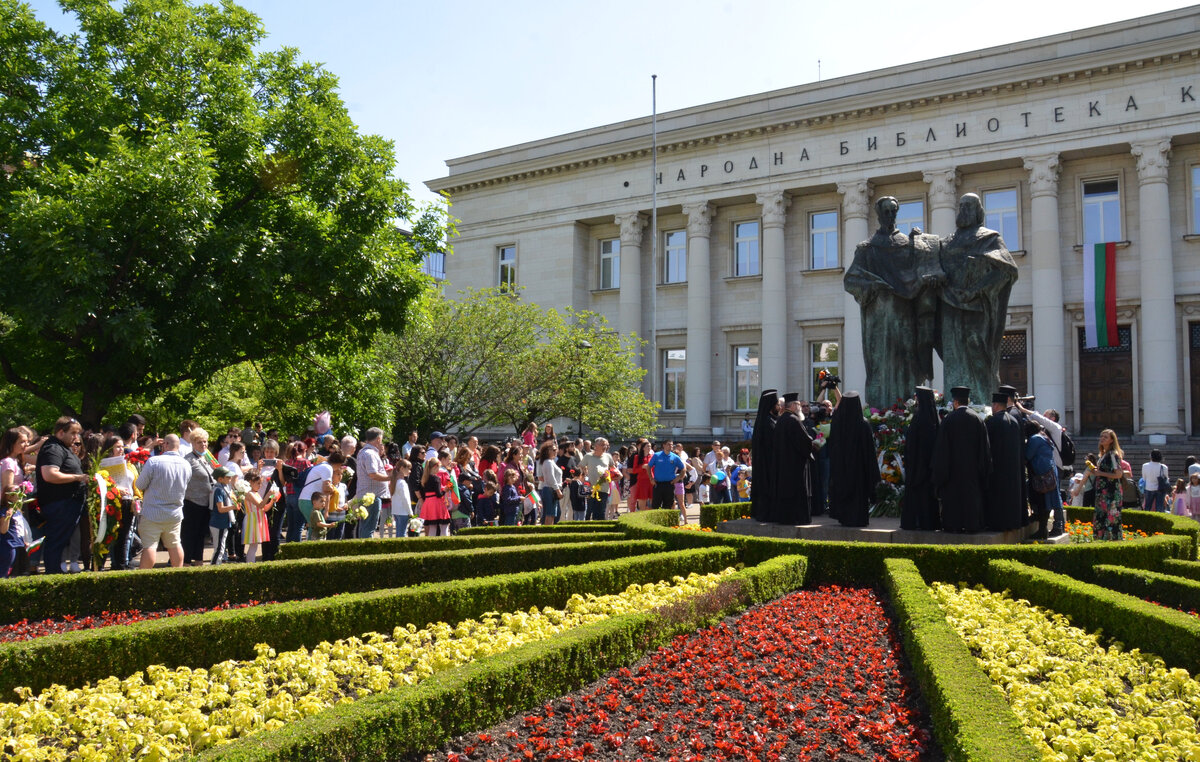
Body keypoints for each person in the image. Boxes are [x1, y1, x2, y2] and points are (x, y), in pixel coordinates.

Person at [844, 196, 942, 409]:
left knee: (907, 360)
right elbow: (851, 279)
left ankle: (906, 406)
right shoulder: (866, 248)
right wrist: (874, 285)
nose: (889, 215)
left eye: (893, 211)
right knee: (880, 363)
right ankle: (881, 409)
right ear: (878, 214)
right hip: (877, 316)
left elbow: (924, 269)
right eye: (885, 211)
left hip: (905, 313)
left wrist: (922, 246)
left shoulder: (908, 244)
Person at [937, 194, 1019, 398]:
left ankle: (982, 401)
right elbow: (934, 266)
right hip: (950, 306)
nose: (964, 210)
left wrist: (977, 288)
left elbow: (1006, 270)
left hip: (978, 308)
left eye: (969, 206)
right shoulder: (947, 242)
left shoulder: (989, 238)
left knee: (978, 351)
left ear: (978, 211)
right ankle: (954, 403)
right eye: (961, 206)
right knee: (953, 354)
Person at [932, 387, 991, 533]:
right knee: (971, 499)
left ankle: (953, 525)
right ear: (968, 401)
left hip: (951, 471)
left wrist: (940, 472)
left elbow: (941, 449)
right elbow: (985, 448)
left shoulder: (948, 420)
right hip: (972, 471)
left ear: (955, 402)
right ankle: (972, 525)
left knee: (953, 500)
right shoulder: (977, 419)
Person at [36, 417, 91, 575]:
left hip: (67, 503)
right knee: (56, 542)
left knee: (59, 542)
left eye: (78, 433)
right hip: (59, 504)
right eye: (73, 433)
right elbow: (49, 475)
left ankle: (54, 574)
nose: (76, 437)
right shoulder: (53, 448)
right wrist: (78, 477)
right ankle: (52, 575)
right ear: (61, 432)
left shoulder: (63, 448)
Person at [134, 434, 191, 569]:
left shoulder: (154, 461)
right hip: (174, 513)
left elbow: (140, 484)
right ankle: (178, 574)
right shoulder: (186, 464)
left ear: (165, 444)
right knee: (175, 544)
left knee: (150, 547)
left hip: (152, 512)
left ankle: (144, 579)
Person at [827, 392, 879, 527]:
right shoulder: (863, 424)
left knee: (843, 489)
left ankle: (843, 516)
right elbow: (869, 451)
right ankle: (857, 518)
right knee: (858, 494)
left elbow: (832, 446)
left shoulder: (837, 423)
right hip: (859, 469)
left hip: (841, 467)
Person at [983, 391, 1026, 532]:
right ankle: (1012, 522)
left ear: (995, 405)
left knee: (998, 498)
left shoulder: (991, 422)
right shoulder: (1014, 421)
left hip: (997, 468)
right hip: (1013, 468)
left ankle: (997, 523)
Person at [768, 393, 813, 524]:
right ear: (793, 405)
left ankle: (785, 517)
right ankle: (798, 518)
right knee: (796, 492)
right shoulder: (794, 420)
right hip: (795, 466)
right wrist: (813, 443)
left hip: (783, 464)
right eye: (799, 404)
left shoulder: (781, 419)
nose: (799, 407)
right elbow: (804, 442)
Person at [900, 386, 941, 530]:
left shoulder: (919, 418)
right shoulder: (933, 418)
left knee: (917, 496)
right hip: (928, 466)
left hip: (917, 466)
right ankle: (929, 522)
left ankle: (915, 522)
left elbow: (913, 443)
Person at [180, 428, 215, 566]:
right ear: (193, 443)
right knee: (189, 535)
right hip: (192, 502)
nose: (203, 445)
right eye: (200, 442)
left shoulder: (207, 457)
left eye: (205, 442)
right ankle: (186, 562)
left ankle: (199, 562)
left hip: (207, 502)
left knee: (201, 535)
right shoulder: (188, 460)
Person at [1024, 420, 1062, 539]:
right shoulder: (1043, 436)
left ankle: (1042, 530)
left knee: (1043, 502)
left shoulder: (1034, 439)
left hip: (1041, 476)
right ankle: (1045, 528)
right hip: (1049, 474)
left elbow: (1027, 455)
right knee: (1048, 502)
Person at [0, 428, 30, 577]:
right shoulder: (8, 463)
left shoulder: (15, 461)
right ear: (11, 443)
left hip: (15, 510)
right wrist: (10, 510)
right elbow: (8, 490)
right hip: (8, 512)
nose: (26, 445)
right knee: (8, 552)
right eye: (22, 442)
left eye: (27, 441)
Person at [354, 428, 392, 538]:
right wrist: (389, 478)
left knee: (365, 527)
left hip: (368, 495)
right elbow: (373, 474)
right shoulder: (370, 454)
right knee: (369, 528)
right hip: (372, 497)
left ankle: (363, 551)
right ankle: (367, 551)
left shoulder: (363, 452)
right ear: (379, 438)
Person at [1090, 429, 1126, 541]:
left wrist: (1100, 473)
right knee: (1101, 515)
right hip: (1102, 491)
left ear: (1111, 440)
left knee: (1110, 518)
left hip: (1111, 492)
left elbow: (1119, 474)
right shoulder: (1103, 455)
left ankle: (1111, 540)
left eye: (1105, 437)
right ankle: (1100, 538)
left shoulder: (1113, 455)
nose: (1102, 439)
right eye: (1101, 436)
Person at [241, 468, 276, 562]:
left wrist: (272, 500)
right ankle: (250, 564)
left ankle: (251, 563)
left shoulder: (256, 493)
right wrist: (268, 494)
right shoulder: (249, 494)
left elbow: (265, 508)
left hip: (258, 519)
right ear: (250, 482)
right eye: (258, 483)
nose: (260, 486)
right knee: (253, 545)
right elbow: (260, 505)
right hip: (252, 520)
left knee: (255, 545)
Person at [581, 437, 615, 521]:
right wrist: (585, 476)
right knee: (588, 513)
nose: (605, 447)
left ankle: (600, 531)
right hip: (591, 489)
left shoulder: (608, 456)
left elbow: (613, 469)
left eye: (606, 445)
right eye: (602, 444)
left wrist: (613, 475)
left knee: (601, 513)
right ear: (595, 445)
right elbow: (581, 467)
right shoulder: (588, 456)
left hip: (604, 488)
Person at [647, 439, 685, 512]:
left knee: (668, 505)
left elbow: (683, 469)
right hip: (658, 484)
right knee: (655, 505)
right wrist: (651, 478)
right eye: (668, 444)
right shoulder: (657, 455)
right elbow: (649, 466)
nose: (670, 446)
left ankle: (666, 523)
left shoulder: (675, 457)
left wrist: (678, 478)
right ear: (664, 445)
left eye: (671, 444)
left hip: (669, 484)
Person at [209, 466, 236, 564]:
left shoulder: (221, 487)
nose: (230, 479)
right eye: (228, 477)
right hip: (219, 523)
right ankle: (214, 568)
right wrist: (233, 507)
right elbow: (220, 509)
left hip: (221, 523)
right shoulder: (219, 490)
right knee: (219, 548)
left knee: (221, 547)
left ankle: (216, 566)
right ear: (220, 479)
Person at [419, 457, 452, 536]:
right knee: (444, 525)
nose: (439, 469)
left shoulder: (425, 478)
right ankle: (445, 543)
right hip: (437, 503)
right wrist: (445, 490)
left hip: (428, 503)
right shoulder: (436, 479)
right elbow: (438, 494)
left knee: (432, 526)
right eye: (439, 467)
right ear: (435, 467)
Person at [536, 440, 563, 525]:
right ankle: (547, 533)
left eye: (556, 450)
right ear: (547, 451)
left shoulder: (551, 461)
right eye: (553, 450)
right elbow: (550, 478)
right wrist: (557, 490)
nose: (556, 452)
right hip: (550, 489)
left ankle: (549, 532)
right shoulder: (547, 462)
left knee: (552, 514)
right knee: (549, 514)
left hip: (551, 489)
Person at [388, 458, 413, 536]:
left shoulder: (395, 482)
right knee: (402, 533)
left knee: (399, 532)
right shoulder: (402, 483)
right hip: (403, 511)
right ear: (402, 468)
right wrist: (410, 512)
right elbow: (405, 499)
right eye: (408, 469)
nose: (410, 471)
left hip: (396, 511)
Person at [627, 439, 653, 511]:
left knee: (652, 503)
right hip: (640, 481)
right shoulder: (636, 456)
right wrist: (642, 467)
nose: (649, 448)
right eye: (647, 446)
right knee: (638, 501)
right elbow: (633, 470)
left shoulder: (653, 456)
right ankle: (635, 517)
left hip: (651, 481)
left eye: (650, 446)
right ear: (642, 447)